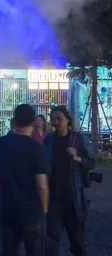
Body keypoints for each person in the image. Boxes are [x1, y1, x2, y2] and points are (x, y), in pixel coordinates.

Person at [0, 104, 49, 256]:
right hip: (32, 211)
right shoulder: (37, 149)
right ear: (32, 122)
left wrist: (0, 204)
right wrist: (44, 209)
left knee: (9, 251)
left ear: (14, 121)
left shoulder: (2, 143)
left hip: (9, 209)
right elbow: (42, 185)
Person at [43, 105, 95, 256]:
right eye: (53, 119)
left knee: (77, 242)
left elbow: (91, 162)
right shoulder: (49, 140)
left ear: (68, 120)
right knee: (51, 241)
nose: (56, 122)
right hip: (53, 199)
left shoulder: (78, 139)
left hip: (74, 199)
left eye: (59, 119)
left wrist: (77, 157)